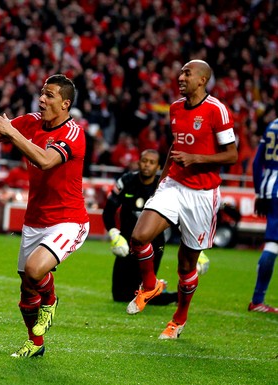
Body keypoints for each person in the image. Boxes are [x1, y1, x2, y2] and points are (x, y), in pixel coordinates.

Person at [0, 74, 89, 358]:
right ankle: (35, 344)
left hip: (68, 220)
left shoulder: (73, 133)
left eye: (49, 95)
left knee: (36, 271)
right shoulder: (31, 121)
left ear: (65, 103)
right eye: (42, 93)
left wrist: (12, 132)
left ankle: (51, 300)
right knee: (26, 289)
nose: (42, 99)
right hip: (35, 220)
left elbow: (46, 160)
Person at [125, 60, 238, 339]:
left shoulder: (217, 110)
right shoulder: (175, 108)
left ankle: (178, 319)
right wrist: (162, 181)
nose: (181, 76)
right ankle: (150, 285)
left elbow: (232, 155)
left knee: (187, 265)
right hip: (174, 185)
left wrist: (196, 158)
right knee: (139, 236)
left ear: (202, 80)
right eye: (181, 72)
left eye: (187, 73)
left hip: (202, 195)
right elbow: (174, 148)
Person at [103, 149, 178, 305]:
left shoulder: (163, 186)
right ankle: (163, 289)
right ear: (139, 162)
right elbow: (108, 211)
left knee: (141, 293)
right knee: (120, 296)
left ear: (158, 167)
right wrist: (114, 234)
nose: (147, 165)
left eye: (151, 163)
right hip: (127, 242)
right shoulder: (126, 181)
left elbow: (177, 215)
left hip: (154, 244)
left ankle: (167, 293)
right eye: (144, 161)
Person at [249, 116, 278, 314]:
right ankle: (257, 300)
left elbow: (257, 162)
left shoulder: (273, 124)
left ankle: (258, 299)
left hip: (270, 190)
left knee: (272, 244)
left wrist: (260, 192)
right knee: (272, 245)